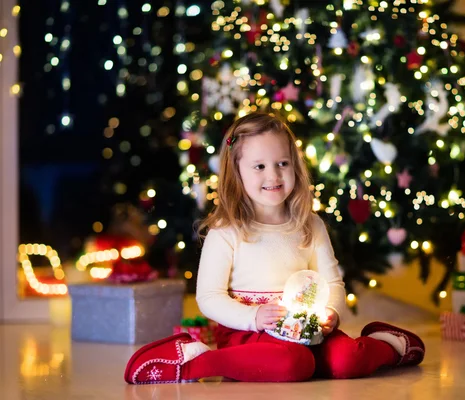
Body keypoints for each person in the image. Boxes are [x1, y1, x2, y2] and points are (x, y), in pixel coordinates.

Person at [124, 112, 425, 384]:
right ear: (237, 172)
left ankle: (389, 345)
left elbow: (333, 282)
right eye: (259, 166)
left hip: (308, 330)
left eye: (283, 163)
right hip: (248, 333)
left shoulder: (310, 224)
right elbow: (209, 297)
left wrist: (331, 311)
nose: (274, 175)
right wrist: (253, 317)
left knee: (347, 359)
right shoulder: (226, 231)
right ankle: (194, 360)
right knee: (292, 363)